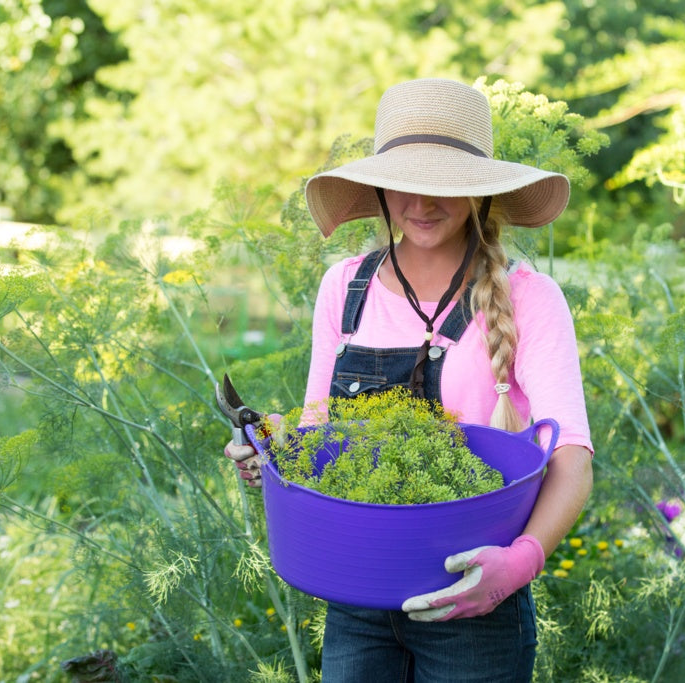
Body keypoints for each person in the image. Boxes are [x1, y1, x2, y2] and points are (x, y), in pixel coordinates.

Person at [225, 78, 593, 683]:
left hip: (473, 601)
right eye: (404, 184)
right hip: (355, 596)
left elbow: (572, 458)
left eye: (442, 186)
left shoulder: (529, 298)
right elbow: (322, 432)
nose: (420, 204)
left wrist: (519, 564)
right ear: (378, 186)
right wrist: (271, 445)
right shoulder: (345, 287)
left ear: (479, 193)